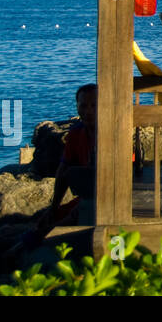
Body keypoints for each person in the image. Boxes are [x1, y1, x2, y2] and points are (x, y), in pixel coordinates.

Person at [46, 84, 98, 226]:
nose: (88, 111)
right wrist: (54, 206)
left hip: (106, 198)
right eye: (83, 106)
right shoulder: (75, 134)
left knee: (57, 227)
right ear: (77, 107)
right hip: (86, 196)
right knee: (48, 220)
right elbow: (63, 170)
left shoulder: (112, 135)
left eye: (94, 106)